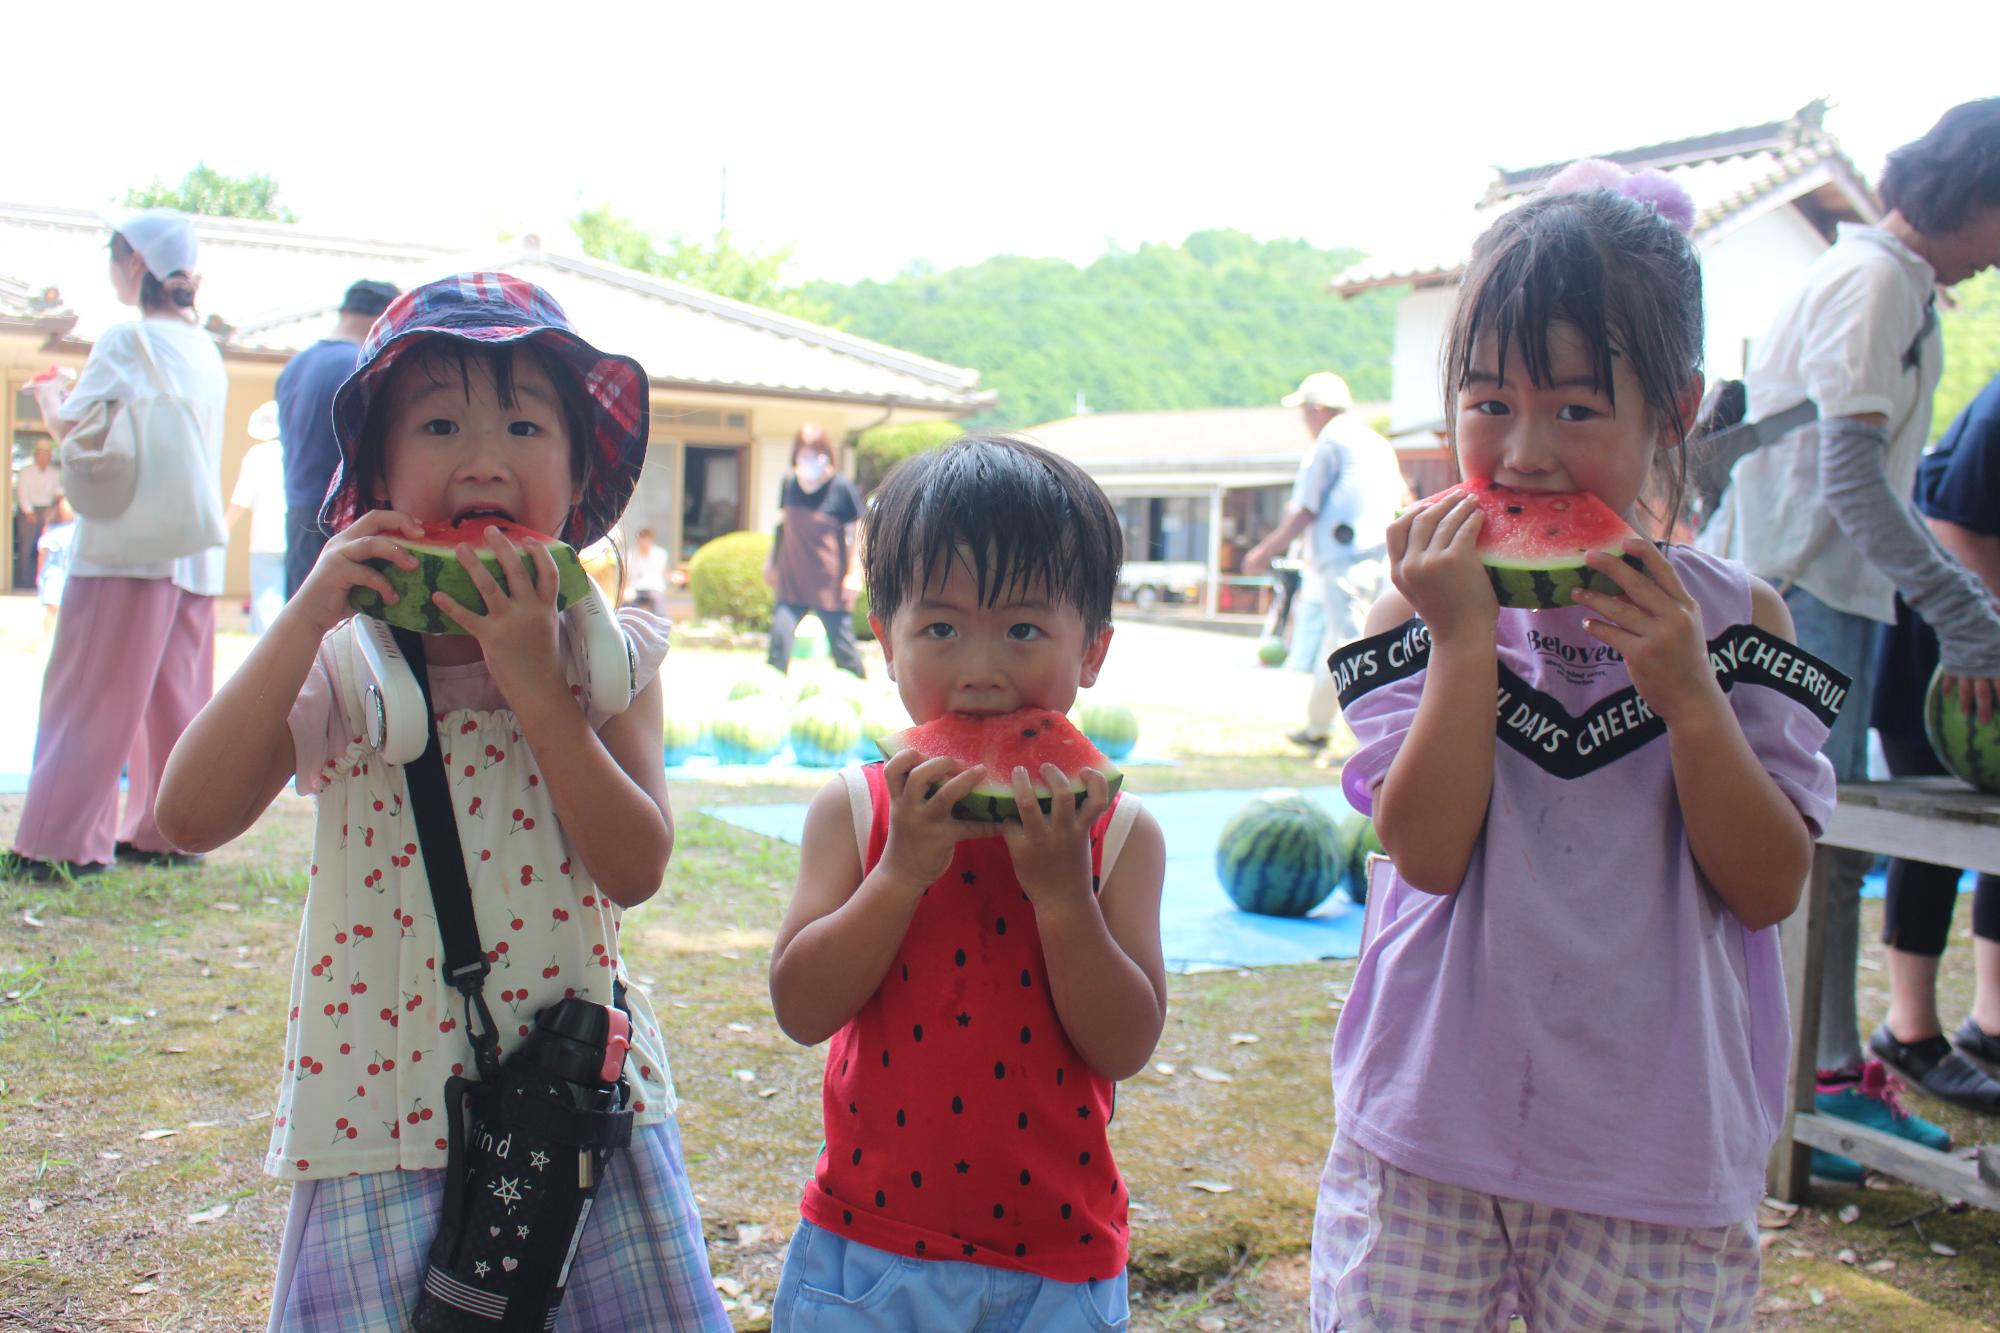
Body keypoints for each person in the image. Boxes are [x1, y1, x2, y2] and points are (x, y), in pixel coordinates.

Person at [1312, 166, 1841, 1330]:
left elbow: (1765, 884)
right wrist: (1461, 640)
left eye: (1575, 408)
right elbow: (1425, 852)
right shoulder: (1413, 608)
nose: (1524, 453)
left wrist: (1690, 699)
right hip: (1430, 1126)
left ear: (1677, 410)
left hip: (1654, 1155)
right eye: (1487, 401)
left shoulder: (1744, 621)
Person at [152, 275, 729, 1332]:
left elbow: (635, 868)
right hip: (378, 1113)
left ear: (577, 469)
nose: (485, 455)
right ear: (374, 470)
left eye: (523, 422)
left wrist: (533, 687)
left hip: (579, 1117)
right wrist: (308, 611)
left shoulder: (609, 656)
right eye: (440, 422)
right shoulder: (343, 664)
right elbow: (186, 817)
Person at [767, 434, 1167, 1331]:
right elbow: (800, 1007)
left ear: (1093, 649)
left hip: (1060, 1266)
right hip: (869, 1251)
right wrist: (902, 871)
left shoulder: (1123, 835)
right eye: (941, 627)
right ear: (885, 639)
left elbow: (1126, 1043)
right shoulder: (855, 814)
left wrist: (1065, 896)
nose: (981, 670)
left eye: (1024, 629)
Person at [1697, 98, 2000, 1174]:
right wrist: (1964, 615)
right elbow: (1849, 479)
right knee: (1808, 846)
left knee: (1825, 847)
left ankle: (1817, 1070)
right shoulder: (1871, 282)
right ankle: (1811, 1083)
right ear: (1975, 199)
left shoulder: (1891, 283)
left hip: (1830, 590)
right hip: (1799, 591)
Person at [2, 208, 227, 880]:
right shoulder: (206, 348)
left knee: (89, 691)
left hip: (128, 545)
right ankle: (169, 831)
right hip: (195, 548)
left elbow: (78, 426)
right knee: (175, 701)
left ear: (135, 264)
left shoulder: (127, 340)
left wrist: (51, 399)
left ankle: (58, 841)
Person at [1867, 371, 2000, 1113]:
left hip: (1984, 647)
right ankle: (1908, 1029)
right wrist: (1988, 630)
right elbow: (1949, 520)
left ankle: (1990, 1020)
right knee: (1929, 830)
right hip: (1946, 650)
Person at [1242, 372, 1407, 755]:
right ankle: (1319, 727)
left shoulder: (1330, 443)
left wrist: (1265, 550)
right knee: (1355, 643)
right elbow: (1405, 496)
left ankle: (1368, 736)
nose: (1303, 420)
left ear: (1317, 409)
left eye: (1303, 411)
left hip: (1344, 562)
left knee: (1350, 648)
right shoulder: (1377, 443)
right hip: (1383, 557)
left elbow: (1305, 510)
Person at [277, 279, 399, 599]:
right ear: (386, 318)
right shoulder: (362, 367)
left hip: (299, 514)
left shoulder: (296, 364)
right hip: (343, 520)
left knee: (302, 624)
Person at [763, 423, 866, 678]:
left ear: (827, 453)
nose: (809, 459)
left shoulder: (841, 487)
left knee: (842, 645)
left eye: (815, 452)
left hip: (828, 579)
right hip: (792, 576)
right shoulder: (789, 483)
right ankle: (772, 690)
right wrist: (770, 562)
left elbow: (857, 532)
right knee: (779, 640)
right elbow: (780, 526)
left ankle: (858, 686)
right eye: (804, 452)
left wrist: (854, 574)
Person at [226, 401, 288, 634]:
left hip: (264, 537)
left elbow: (240, 499)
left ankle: (267, 646)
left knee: (265, 595)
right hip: (291, 534)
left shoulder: (257, 454)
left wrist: (223, 529)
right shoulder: (291, 453)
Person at [15, 438, 63, 590]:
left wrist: (53, 508)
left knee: (46, 548)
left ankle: (43, 583)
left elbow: (59, 493)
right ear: (36, 455)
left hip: (48, 511)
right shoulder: (26, 471)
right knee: (26, 548)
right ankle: (23, 583)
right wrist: (29, 512)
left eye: (47, 454)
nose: (43, 457)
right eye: (41, 454)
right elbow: (22, 493)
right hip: (29, 512)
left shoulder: (55, 473)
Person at [36, 496, 76, 634]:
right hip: (54, 572)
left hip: (71, 572)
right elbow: (43, 552)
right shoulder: (51, 529)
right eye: (65, 505)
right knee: (53, 606)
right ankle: (47, 636)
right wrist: (39, 574)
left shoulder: (78, 527)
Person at [624, 526, 668, 615]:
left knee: (657, 599)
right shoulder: (630, 555)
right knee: (628, 602)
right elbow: (626, 575)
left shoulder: (659, 554)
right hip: (635, 588)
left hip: (653, 587)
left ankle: (659, 625)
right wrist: (626, 589)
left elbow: (663, 572)